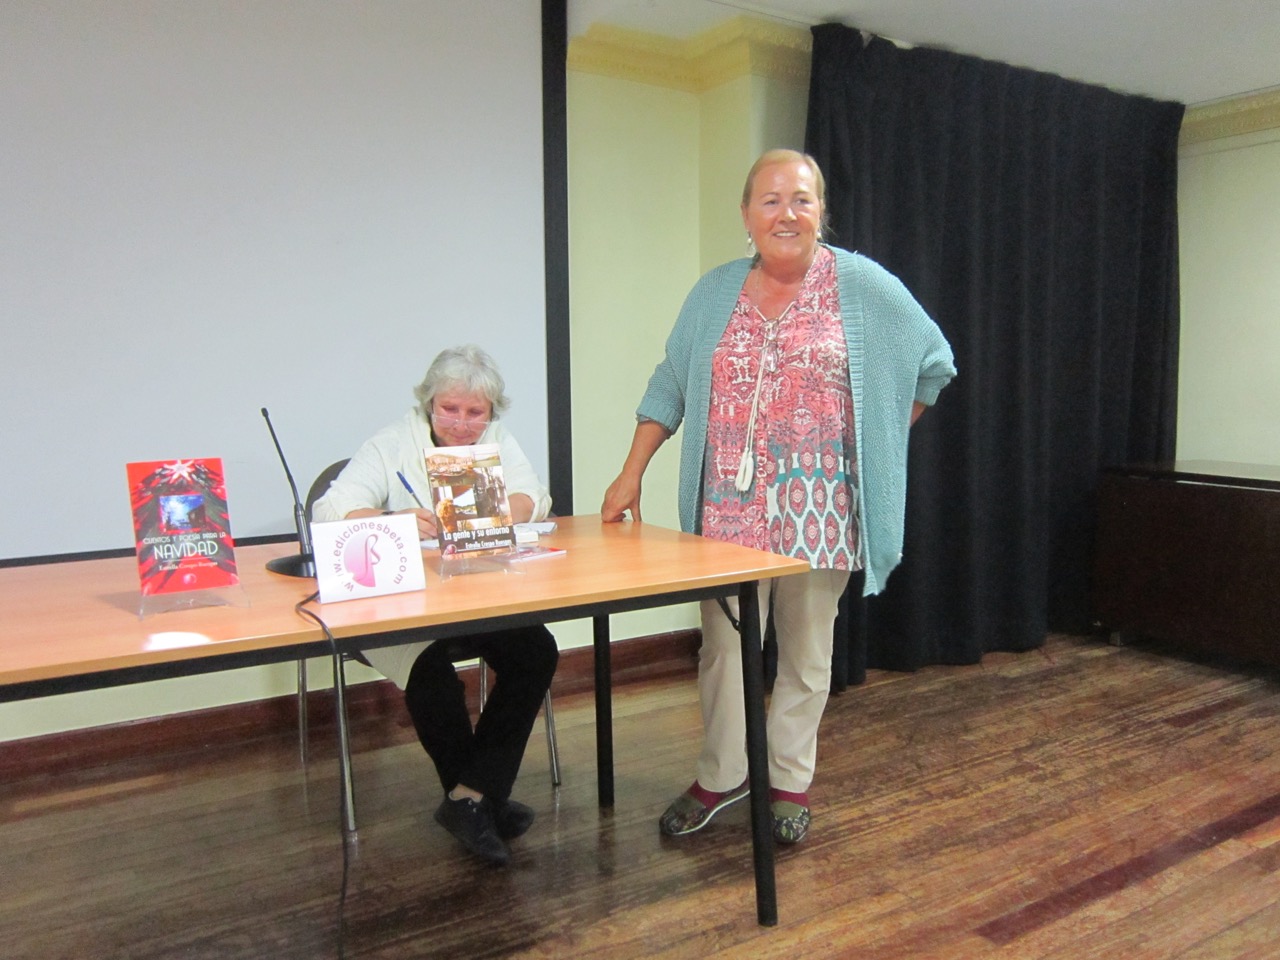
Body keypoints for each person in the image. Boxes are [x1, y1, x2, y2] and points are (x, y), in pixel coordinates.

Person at [601, 149, 956, 845]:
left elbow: (932, 363)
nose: (785, 213)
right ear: (746, 214)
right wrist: (631, 470)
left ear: (822, 211)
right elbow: (670, 381)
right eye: (769, 200)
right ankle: (722, 774)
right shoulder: (714, 293)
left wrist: (878, 442)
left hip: (821, 514)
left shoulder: (863, 286)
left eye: (801, 199)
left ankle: (788, 782)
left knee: (806, 653)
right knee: (722, 652)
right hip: (724, 515)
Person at [313, 344, 558, 866]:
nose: (463, 423)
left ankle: (472, 797)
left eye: (476, 412)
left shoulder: (496, 439)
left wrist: (501, 509)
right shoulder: (391, 442)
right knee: (431, 675)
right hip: (399, 601)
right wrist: (392, 520)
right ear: (429, 403)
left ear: (491, 412)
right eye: (450, 409)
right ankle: (479, 798)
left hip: (475, 594)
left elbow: (535, 497)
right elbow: (330, 509)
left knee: (536, 650)